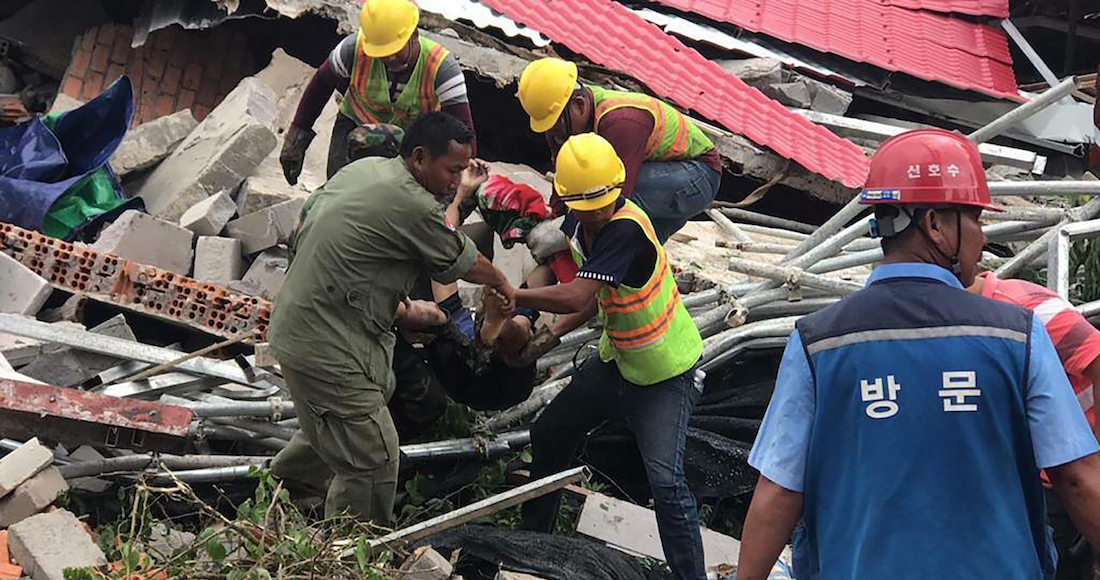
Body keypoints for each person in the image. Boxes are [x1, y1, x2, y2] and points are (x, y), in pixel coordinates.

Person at [736, 128, 1100, 580]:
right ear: (935, 224)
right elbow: (1078, 478)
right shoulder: (1018, 336)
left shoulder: (818, 342)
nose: (982, 239)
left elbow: (779, 492)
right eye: (976, 220)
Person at [266, 112, 514, 523]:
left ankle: (270, 505)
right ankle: (347, 556)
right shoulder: (412, 204)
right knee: (374, 459)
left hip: (300, 327)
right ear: (419, 158)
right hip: (328, 344)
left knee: (328, 434)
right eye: (452, 170)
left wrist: (403, 309)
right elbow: (461, 260)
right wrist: (504, 283)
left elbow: (343, 254)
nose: (457, 180)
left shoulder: (366, 171)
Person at [509, 133, 707, 580]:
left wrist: (515, 293)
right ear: (570, 201)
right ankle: (533, 544)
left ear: (617, 189)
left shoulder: (625, 230)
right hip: (619, 361)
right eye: (589, 204)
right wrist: (550, 335)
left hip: (666, 375)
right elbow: (588, 301)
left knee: (667, 484)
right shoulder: (581, 227)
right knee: (550, 433)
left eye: (605, 200)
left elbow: (578, 291)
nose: (599, 210)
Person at [969, 272, 1100, 580]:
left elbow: (1097, 356)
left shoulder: (1022, 307)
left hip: (1075, 471)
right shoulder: (966, 324)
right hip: (1046, 475)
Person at [517, 57, 722, 242]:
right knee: (635, 252)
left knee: (601, 198)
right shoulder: (562, 125)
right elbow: (565, 181)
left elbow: (616, 196)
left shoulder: (621, 121)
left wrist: (560, 234)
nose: (553, 136)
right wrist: (553, 216)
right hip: (658, 173)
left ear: (579, 105)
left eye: (555, 126)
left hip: (697, 177)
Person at [279, 0, 475, 183]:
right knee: (338, 187)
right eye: (381, 53)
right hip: (355, 125)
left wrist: (462, 174)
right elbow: (321, 84)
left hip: (412, 142)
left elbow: (462, 128)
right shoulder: (353, 48)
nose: (389, 58)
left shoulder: (441, 67)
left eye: (395, 50)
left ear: (414, 35)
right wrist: (297, 138)